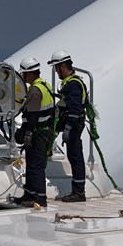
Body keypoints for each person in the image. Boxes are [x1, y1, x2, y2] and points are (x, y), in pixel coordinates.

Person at [13, 57, 55, 208]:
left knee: (35, 165)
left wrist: (26, 132)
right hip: (45, 131)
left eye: (24, 74)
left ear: (29, 74)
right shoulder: (45, 85)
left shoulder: (35, 90)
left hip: (38, 132)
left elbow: (32, 116)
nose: (23, 77)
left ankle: (39, 198)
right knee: (32, 164)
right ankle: (29, 194)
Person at [47, 50, 88, 202]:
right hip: (71, 125)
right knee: (73, 156)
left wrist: (68, 128)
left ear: (63, 66)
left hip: (74, 125)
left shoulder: (73, 85)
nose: (56, 71)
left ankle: (79, 192)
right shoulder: (70, 83)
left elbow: (74, 110)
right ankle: (78, 190)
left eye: (57, 68)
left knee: (75, 157)